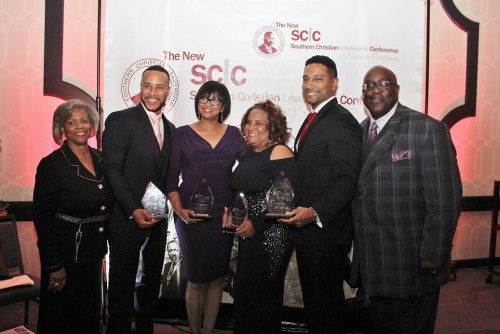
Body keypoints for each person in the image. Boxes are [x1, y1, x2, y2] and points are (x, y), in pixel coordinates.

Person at [351, 65, 462, 333]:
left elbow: (446, 201)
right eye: (368, 85)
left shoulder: (427, 130)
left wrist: (434, 256)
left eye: (383, 83)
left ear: (397, 90)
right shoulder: (360, 131)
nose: (374, 89)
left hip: (411, 264)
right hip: (373, 264)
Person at [281, 55, 363, 333]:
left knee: (327, 310)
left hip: (327, 234)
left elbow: (348, 181)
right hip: (310, 234)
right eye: (305, 78)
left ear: (335, 83)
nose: (309, 84)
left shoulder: (341, 121)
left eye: (317, 78)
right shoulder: (315, 117)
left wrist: (315, 212)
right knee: (317, 308)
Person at [166, 80, 245, 334]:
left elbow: (248, 172)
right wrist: (180, 211)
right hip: (191, 217)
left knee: (217, 279)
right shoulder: (181, 133)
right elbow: (170, 180)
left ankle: (208, 331)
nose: (207, 103)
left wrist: (236, 206)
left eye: (214, 99)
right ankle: (195, 331)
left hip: (222, 217)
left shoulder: (235, 134)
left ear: (224, 105)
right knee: (197, 280)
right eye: (203, 98)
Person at [102, 65, 176, 334]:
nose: (152, 92)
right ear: (140, 88)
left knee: (150, 286)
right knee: (121, 288)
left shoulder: (171, 129)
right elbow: (112, 169)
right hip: (125, 220)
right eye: (147, 86)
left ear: (168, 91)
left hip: (157, 221)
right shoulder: (121, 120)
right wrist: (133, 209)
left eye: (159, 87)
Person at [33, 100, 114, 334]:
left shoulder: (102, 159)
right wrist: (54, 264)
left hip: (93, 250)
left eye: (85, 121)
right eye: (72, 122)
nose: (80, 126)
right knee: (62, 315)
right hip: (65, 254)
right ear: (62, 128)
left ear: (92, 126)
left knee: (88, 313)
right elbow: (42, 218)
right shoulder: (52, 164)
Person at [223, 100, 300, 333]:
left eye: (259, 123)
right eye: (248, 122)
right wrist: (229, 212)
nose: (251, 127)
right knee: (245, 298)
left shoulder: (279, 152)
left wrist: (256, 225)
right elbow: (241, 191)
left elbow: (287, 200)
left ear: (272, 127)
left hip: (271, 236)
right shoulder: (248, 154)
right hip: (248, 234)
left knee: (263, 300)